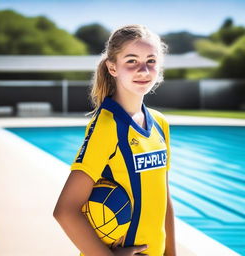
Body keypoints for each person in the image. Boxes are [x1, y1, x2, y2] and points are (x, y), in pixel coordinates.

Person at [53, 24, 176, 256]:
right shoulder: (107, 126)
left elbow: (164, 200)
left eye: (151, 61)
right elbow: (65, 210)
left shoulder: (159, 123)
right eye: (131, 61)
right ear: (112, 67)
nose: (143, 70)